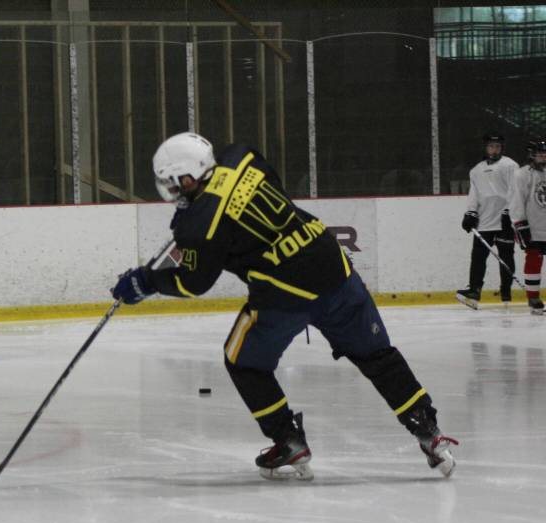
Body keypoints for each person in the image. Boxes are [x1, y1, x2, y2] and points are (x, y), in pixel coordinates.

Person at [111, 132, 457, 480]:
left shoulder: (199, 225)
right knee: (377, 356)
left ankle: (288, 439)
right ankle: (428, 430)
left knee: (243, 362)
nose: (172, 190)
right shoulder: (241, 156)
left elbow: (194, 282)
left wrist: (147, 281)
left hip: (284, 293)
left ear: (188, 177)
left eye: (174, 182)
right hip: (332, 266)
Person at [456, 133, 518, 309]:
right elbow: (474, 195)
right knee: (477, 257)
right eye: (491, 146)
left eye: (497, 146)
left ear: (502, 148)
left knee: (506, 256)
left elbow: (516, 190)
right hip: (484, 221)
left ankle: (506, 291)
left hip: (505, 220)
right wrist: (471, 213)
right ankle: (474, 291)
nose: (494, 150)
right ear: (486, 148)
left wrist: (509, 212)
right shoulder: (476, 170)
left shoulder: (510, 165)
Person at [509, 137, 546, 315]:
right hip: (533, 226)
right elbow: (516, 200)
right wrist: (519, 223)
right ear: (531, 155)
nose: (543, 156)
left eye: (545, 154)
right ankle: (533, 297)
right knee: (534, 259)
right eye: (539, 154)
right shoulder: (522, 174)